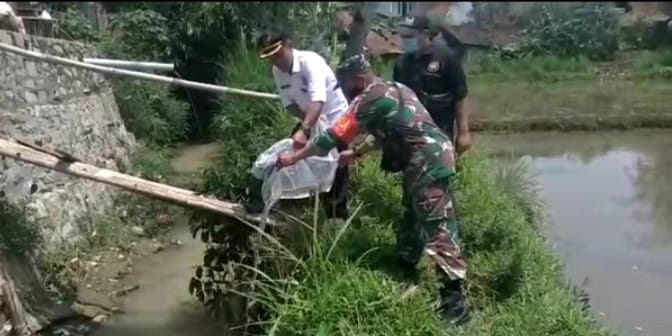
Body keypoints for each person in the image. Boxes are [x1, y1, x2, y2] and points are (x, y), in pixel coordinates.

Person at [275, 54, 470, 326]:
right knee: (413, 215)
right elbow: (384, 133)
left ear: (358, 78)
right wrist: (355, 153)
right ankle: (404, 266)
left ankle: (455, 305)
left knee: (437, 224)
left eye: (345, 84)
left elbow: (331, 137)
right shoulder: (396, 89)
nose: (345, 90)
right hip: (431, 155)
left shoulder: (367, 98)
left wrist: (294, 158)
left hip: (426, 161)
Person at [244, 28, 351, 221]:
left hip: (336, 117)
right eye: (269, 56)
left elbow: (318, 101)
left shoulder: (310, 62)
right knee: (287, 154)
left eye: (277, 53)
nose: (275, 60)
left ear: (287, 45)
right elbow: (290, 104)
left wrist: (306, 130)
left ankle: (337, 213)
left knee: (339, 162)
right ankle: (277, 201)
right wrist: (306, 126)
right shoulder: (278, 71)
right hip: (309, 118)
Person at [393, 15, 472, 156]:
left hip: (439, 130)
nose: (407, 40)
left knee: (439, 170)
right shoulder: (402, 63)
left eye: (411, 35)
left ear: (425, 34)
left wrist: (463, 132)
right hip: (410, 133)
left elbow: (460, 95)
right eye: (404, 36)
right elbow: (397, 99)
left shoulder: (447, 58)